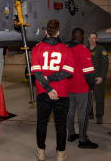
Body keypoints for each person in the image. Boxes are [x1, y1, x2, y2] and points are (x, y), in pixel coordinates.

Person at [31, 19, 75, 161]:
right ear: (58, 32)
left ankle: (41, 152)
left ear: (45, 32)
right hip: (61, 93)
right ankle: (61, 154)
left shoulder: (37, 48)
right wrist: (54, 79)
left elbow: (37, 73)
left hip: (44, 92)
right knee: (61, 124)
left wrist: (48, 85)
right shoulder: (66, 49)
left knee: (42, 123)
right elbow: (69, 71)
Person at [66, 28, 99, 149]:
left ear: (72, 36)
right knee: (83, 114)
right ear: (82, 37)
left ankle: (70, 134)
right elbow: (88, 73)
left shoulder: (65, 49)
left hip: (68, 87)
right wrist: (91, 87)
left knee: (70, 112)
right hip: (82, 88)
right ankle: (83, 139)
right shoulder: (83, 50)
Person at [88, 32, 109, 124]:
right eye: (90, 38)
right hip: (88, 79)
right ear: (88, 39)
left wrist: (101, 77)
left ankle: (99, 116)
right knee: (88, 98)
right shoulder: (85, 49)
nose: (92, 40)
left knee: (99, 98)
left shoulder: (101, 50)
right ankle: (90, 114)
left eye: (94, 38)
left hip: (98, 78)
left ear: (97, 39)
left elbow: (105, 64)